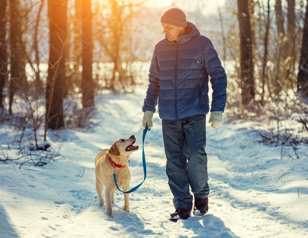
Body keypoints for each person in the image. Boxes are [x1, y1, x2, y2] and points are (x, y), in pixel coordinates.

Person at [142, 6, 227, 220]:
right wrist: (148, 110)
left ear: (181, 26)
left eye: (168, 27)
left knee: (196, 155)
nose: (165, 31)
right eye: (163, 27)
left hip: (194, 113)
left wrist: (217, 109)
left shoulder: (202, 44)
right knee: (174, 161)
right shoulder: (160, 48)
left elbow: (218, 75)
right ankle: (182, 205)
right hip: (169, 116)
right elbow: (154, 82)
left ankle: (201, 197)